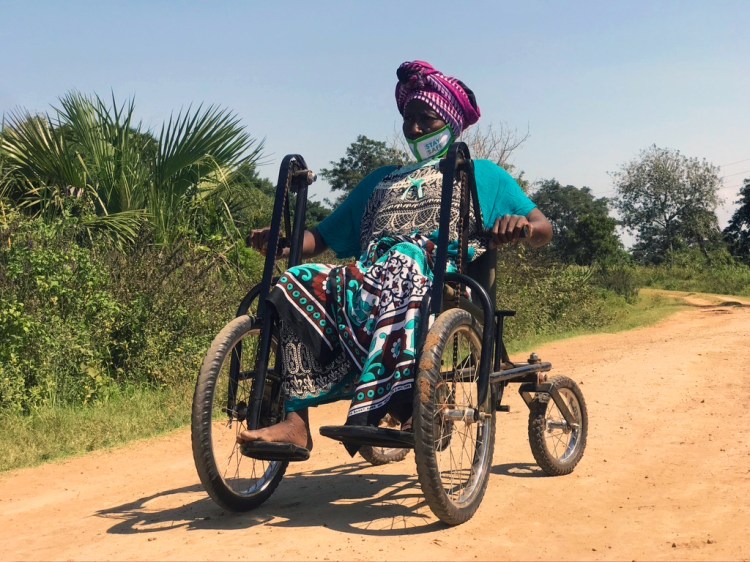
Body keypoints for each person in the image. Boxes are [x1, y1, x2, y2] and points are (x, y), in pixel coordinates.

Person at [239, 60, 552, 457]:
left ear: (451, 121)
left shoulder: (481, 174)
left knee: (404, 259)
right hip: (374, 275)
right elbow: (320, 238)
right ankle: (296, 421)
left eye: (426, 117)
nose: (415, 127)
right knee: (296, 279)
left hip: (437, 275)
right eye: (409, 117)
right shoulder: (381, 180)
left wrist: (520, 227)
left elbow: (544, 227)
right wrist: (284, 244)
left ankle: (397, 402)